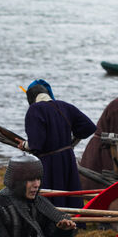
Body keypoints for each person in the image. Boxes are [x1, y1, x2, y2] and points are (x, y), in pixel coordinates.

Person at [20, 78, 96, 207]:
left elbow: (36, 144)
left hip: (49, 162)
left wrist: (24, 145)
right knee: (69, 192)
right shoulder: (64, 106)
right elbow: (88, 127)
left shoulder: (35, 109)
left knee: (51, 196)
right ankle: (74, 219)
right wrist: (71, 141)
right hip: (68, 157)